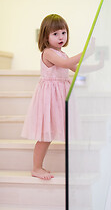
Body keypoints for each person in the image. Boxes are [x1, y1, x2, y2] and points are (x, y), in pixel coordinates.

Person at [21, 14, 82, 180]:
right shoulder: (48, 53)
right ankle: (36, 167)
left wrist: (99, 63)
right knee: (45, 135)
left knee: (49, 134)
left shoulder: (63, 54)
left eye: (63, 32)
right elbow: (65, 65)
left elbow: (75, 68)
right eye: (55, 34)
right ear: (45, 37)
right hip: (49, 97)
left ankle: (39, 166)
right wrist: (85, 52)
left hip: (58, 97)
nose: (60, 37)